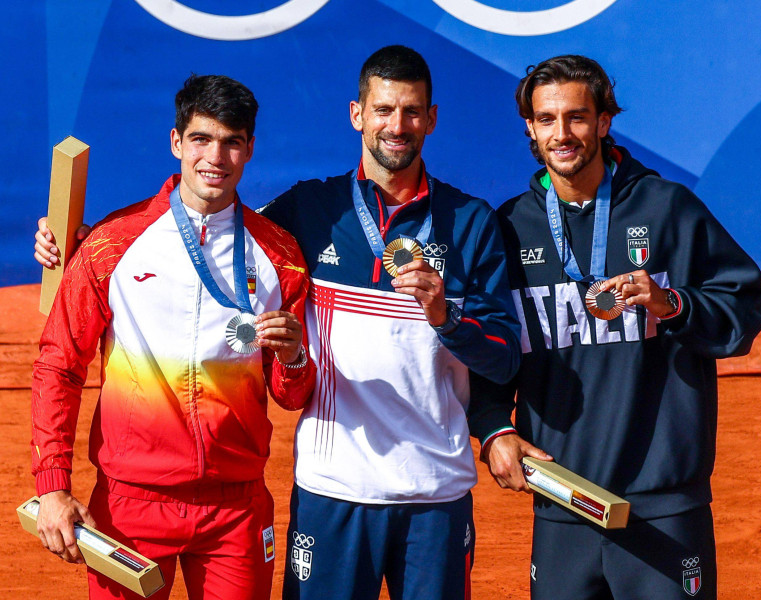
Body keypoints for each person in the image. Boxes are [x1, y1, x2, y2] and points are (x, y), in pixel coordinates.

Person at [35, 46, 521, 599]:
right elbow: (66, 356)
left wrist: (304, 355)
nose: (397, 124)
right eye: (383, 108)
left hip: (341, 498)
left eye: (412, 111)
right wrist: (78, 245)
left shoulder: (452, 224)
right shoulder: (288, 218)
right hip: (210, 497)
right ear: (357, 114)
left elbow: (498, 358)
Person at [467, 55, 761, 600]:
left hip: (664, 505)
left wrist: (672, 302)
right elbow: (492, 345)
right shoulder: (509, 227)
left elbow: (744, 306)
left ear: (604, 121)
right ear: (531, 129)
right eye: (547, 120)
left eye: (578, 117)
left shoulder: (667, 209)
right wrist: (492, 428)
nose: (563, 134)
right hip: (562, 495)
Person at [32, 74, 316, 600]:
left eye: (232, 141)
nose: (216, 156)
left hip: (236, 509)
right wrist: (52, 485)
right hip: (130, 505)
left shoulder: (279, 254)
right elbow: (59, 364)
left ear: (250, 148)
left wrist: (295, 357)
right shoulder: (112, 244)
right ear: (176, 142)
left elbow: (292, 394)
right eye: (202, 139)